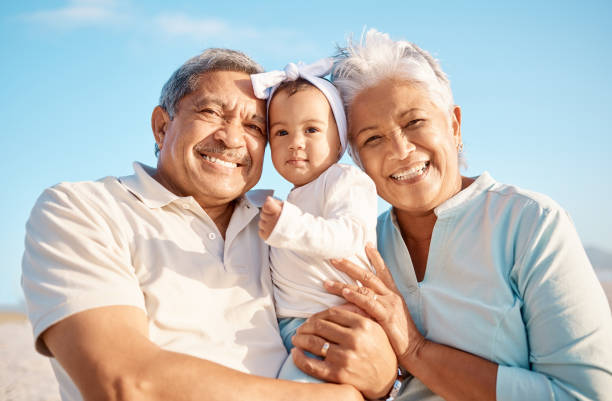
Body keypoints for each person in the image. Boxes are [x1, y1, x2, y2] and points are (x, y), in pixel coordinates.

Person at [21, 48, 398, 401]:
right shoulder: (84, 210)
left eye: (255, 127)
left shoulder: (280, 223)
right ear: (161, 126)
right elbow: (124, 382)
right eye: (212, 113)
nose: (232, 137)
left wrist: (381, 380)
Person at [307, 29, 612, 400]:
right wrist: (386, 385)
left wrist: (414, 351)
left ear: (454, 125)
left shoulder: (531, 223)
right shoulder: (358, 246)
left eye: (413, 122)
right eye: (373, 139)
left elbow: (585, 394)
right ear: (356, 160)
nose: (401, 150)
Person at [250, 59, 378, 382]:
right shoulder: (293, 197)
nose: (295, 141)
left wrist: (289, 227)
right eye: (281, 131)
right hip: (290, 325)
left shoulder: (345, 180)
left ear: (339, 140)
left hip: (330, 322)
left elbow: (349, 236)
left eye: (311, 130)